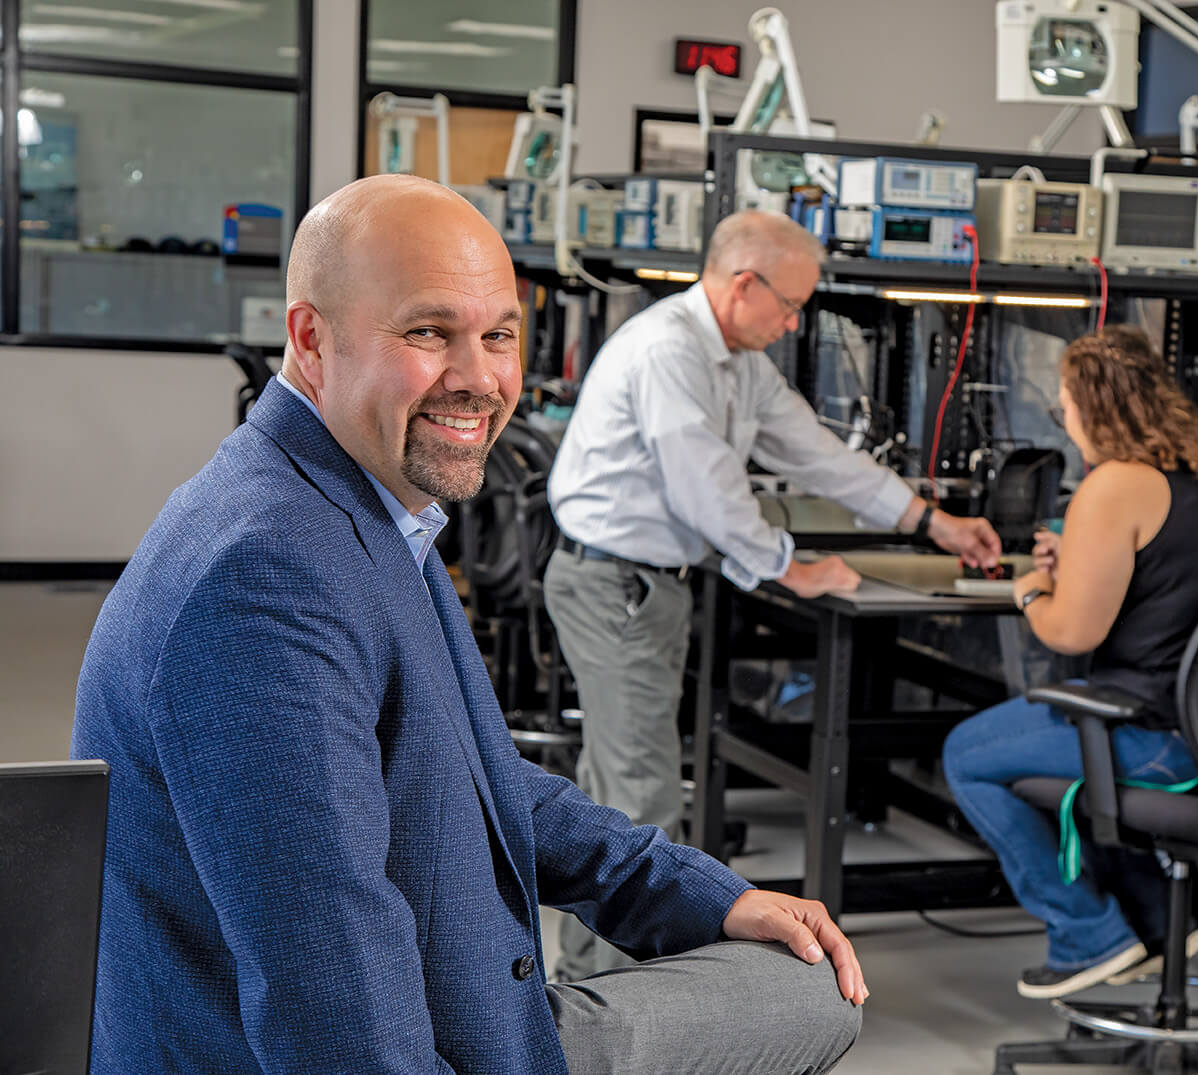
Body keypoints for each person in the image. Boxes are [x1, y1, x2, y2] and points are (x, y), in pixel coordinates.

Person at [71, 174, 865, 1075]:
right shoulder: (267, 574)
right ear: (311, 339)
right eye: (427, 332)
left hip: (454, 997)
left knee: (793, 969)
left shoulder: (358, 507)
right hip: (377, 1043)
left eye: (497, 336)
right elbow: (330, 1003)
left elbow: (474, 771)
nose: (480, 379)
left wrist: (702, 894)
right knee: (812, 998)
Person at [544, 208, 1003, 980]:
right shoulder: (670, 350)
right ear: (742, 283)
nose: (794, 322)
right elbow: (707, 490)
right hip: (613, 583)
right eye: (788, 304)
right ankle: (600, 1000)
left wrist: (933, 521)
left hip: (647, 585)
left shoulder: (739, 361)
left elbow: (819, 455)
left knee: (625, 783)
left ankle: (595, 981)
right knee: (639, 789)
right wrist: (790, 567)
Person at [942, 324, 1198, 1000]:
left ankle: (1085, 933)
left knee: (966, 753)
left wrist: (1033, 588)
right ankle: (1156, 919)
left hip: (1155, 737)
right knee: (1055, 753)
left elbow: (1069, 631)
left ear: (1090, 405)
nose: (1062, 419)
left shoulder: (1116, 483)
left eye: (1063, 403)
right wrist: (1082, 563)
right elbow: (1176, 586)